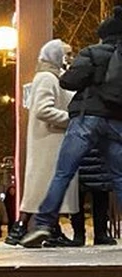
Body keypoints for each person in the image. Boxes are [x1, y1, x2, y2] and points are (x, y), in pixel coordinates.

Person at [21, 7, 122, 248]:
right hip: (115, 122)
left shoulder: (92, 52)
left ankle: (44, 224)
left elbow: (69, 81)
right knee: (119, 178)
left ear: (103, 36)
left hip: (86, 119)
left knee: (63, 173)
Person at [6, 39, 79, 245]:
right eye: (67, 54)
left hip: (51, 142)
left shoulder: (52, 77)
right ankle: (25, 229)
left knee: (42, 189)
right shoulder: (47, 78)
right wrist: (71, 120)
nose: (70, 58)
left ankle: (32, 229)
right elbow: (43, 109)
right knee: (44, 187)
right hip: (50, 142)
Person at [71, 147, 117, 245]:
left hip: (85, 158)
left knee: (80, 202)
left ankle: (80, 235)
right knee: (97, 201)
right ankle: (99, 234)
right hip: (97, 159)